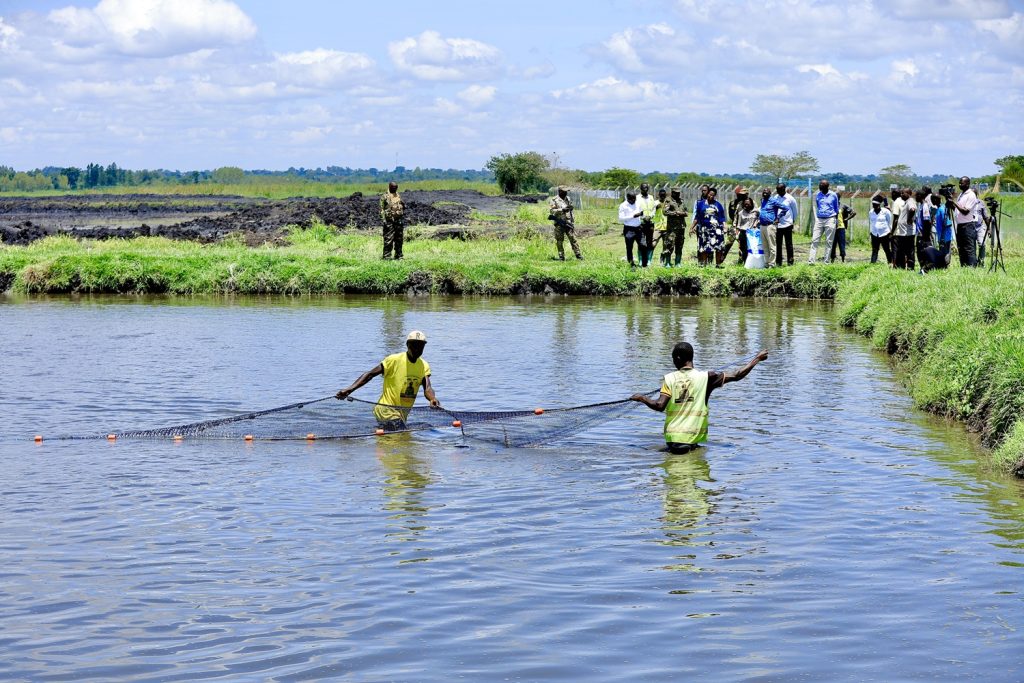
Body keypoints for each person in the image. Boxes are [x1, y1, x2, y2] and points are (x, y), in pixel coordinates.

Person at [631, 343, 769, 453]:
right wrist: (757, 359)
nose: (673, 362)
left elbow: (659, 405)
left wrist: (642, 398)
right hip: (691, 439)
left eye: (673, 359)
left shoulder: (670, 379)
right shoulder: (707, 378)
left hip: (673, 439)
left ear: (678, 358)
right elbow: (737, 375)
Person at [335, 330, 441, 430]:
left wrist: (432, 398)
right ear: (408, 345)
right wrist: (349, 389)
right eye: (414, 345)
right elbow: (370, 374)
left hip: (401, 414)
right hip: (385, 410)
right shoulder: (394, 360)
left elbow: (427, 388)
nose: (417, 348)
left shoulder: (423, 365)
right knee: (401, 435)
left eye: (421, 345)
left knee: (395, 438)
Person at [949, 176, 980, 267]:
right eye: (959, 183)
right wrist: (951, 203)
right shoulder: (961, 194)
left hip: (968, 225)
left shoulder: (971, 195)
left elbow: (965, 211)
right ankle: (964, 266)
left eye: (961, 183)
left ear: (967, 184)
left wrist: (954, 202)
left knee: (969, 247)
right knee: (961, 247)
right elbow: (957, 209)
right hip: (960, 225)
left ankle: (972, 266)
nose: (960, 185)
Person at [692, 186, 726, 266]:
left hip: (716, 229)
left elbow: (722, 218)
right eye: (710, 194)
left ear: (715, 196)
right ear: (707, 194)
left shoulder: (718, 205)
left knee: (718, 246)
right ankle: (704, 263)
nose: (711, 196)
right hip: (704, 229)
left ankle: (718, 264)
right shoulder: (701, 204)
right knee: (704, 246)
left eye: (713, 195)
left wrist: (725, 227)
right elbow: (697, 217)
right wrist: (692, 227)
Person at [548, 185, 584, 261]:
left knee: (573, 239)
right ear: (560, 191)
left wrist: (572, 221)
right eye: (564, 192)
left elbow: (570, 212)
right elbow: (551, 211)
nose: (566, 193)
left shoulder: (568, 199)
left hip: (568, 223)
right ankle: (561, 256)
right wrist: (562, 210)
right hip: (559, 223)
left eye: (566, 192)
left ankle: (578, 255)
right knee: (559, 241)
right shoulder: (554, 200)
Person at [810, 179, 839, 264]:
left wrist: (835, 221)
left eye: (821, 185)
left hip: (830, 219)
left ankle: (826, 261)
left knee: (829, 241)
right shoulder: (818, 195)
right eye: (820, 185)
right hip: (819, 219)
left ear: (827, 186)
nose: (820, 186)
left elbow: (836, 208)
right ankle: (811, 261)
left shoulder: (833, 195)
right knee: (814, 240)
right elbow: (818, 206)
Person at [758, 187, 788, 267]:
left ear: (770, 193)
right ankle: (766, 263)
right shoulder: (762, 200)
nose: (765, 193)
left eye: (767, 191)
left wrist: (778, 217)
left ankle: (771, 264)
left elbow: (785, 208)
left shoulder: (773, 201)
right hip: (762, 226)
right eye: (764, 191)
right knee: (765, 246)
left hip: (770, 226)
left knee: (771, 246)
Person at [661, 187, 688, 267]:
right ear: (672, 193)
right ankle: (667, 262)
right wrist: (675, 213)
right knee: (669, 244)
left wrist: (682, 213)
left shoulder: (681, 201)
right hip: (672, 228)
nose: (678, 194)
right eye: (676, 193)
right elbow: (665, 212)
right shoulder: (668, 200)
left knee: (680, 245)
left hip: (681, 227)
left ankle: (677, 262)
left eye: (679, 193)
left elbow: (686, 212)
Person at [723, 186, 750, 265]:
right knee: (728, 244)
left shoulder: (749, 203)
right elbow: (731, 215)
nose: (739, 196)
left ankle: (742, 261)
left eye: (741, 195)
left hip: (745, 227)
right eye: (738, 194)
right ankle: (720, 260)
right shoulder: (733, 203)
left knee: (743, 246)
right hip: (734, 226)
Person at [892, 187, 917, 270]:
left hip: (908, 232)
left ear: (908, 194)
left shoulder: (910, 201)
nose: (901, 194)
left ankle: (910, 267)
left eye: (903, 193)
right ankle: (902, 267)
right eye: (901, 193)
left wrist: (909, 219)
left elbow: (912, 209)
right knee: (902, 250)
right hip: (904, 232)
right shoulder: (906, 202)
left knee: (909, 251)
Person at [736, 196, 764, 268]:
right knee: (744, 249)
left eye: (748, 204)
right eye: (745, 204)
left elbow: (759, 219)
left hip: (752, 233)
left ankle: (755, 263)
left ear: (751, 204)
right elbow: (738, 224)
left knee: (752, 248)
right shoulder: (741, 213)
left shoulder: (756, 212)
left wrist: (756, 224)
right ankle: (746, 263)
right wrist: (737, 234)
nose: (746, 205)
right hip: (743, 232)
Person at [380, 182, 405, 260]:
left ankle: (399, 255)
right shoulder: (385, 197)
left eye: (396, 187)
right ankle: (387, 256)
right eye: (393, 187)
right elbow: (381, 209)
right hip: (389, 221)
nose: (394, 189)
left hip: (398, 221)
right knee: (388, 239)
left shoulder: (398, 196)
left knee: (399, 239)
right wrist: (384, 220)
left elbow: (402, 206)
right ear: (389, 187)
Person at [775, 183, 798, 266]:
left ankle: (790, 261)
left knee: (789, 244)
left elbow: (795, 211)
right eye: (777, 190)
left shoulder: (790, 198)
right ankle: (778, 262)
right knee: (778, 244)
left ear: (784, 189)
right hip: (778, 225)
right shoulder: (775, 198)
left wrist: (792, 221)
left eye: (780, 190)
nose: (778, 191)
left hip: (787, 224)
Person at [618, 191, 643, 267]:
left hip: (638, 228)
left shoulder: (638, 203)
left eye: (634, 198)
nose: (633, 200)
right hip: (629, 229)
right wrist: (633, 216)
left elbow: (641, 213)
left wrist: (641, 215)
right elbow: (621, 218)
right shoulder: (623, 205)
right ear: (627, 198)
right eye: (632, 199)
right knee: (629, 247)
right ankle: (631, 263)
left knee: (643, 245)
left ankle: (643, 262)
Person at [636, 183, 658, 267]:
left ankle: (649, 260)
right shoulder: (637, 198)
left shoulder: (651, 197)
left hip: (650, 223)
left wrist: (650, 216)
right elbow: (635, 209)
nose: (645, 189)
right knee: (641, 243)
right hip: (641, 223)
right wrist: (643, 217)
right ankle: (641, 260)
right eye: (643, 188)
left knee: (649, 242)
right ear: (640, 188)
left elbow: (653, 209)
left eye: (646, 188)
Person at [830, 191, 855, 263]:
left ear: (838, 198)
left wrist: (846, 219)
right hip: (832, 227)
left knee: (841, 243)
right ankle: (832, 258)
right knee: (833, 244)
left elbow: (853, 213)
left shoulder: (843, 206)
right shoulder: (830, 206)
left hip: (841, 227)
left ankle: (843, 259)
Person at [868, 197, 893, 264]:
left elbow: (889, 222)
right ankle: (873, 263)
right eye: (873, 204)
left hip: (885, 234)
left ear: (879, 204)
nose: (874, 206)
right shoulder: (871, 212)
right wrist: (871, 232)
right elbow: (871, 222)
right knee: (875, 249)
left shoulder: (886, 212)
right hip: (874, 234)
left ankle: (890, 262)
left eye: (875, 204)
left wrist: (890, 233)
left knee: (886, 249)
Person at [932, 191, 953, 257]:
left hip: (945, 237)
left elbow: (947, 223)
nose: (931, 201)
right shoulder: (938, 209)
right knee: (942, 253)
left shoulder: (942, 209)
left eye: (932, 199)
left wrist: (942, 237)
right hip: (941, 236)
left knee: (945, 254)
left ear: (935, 200)